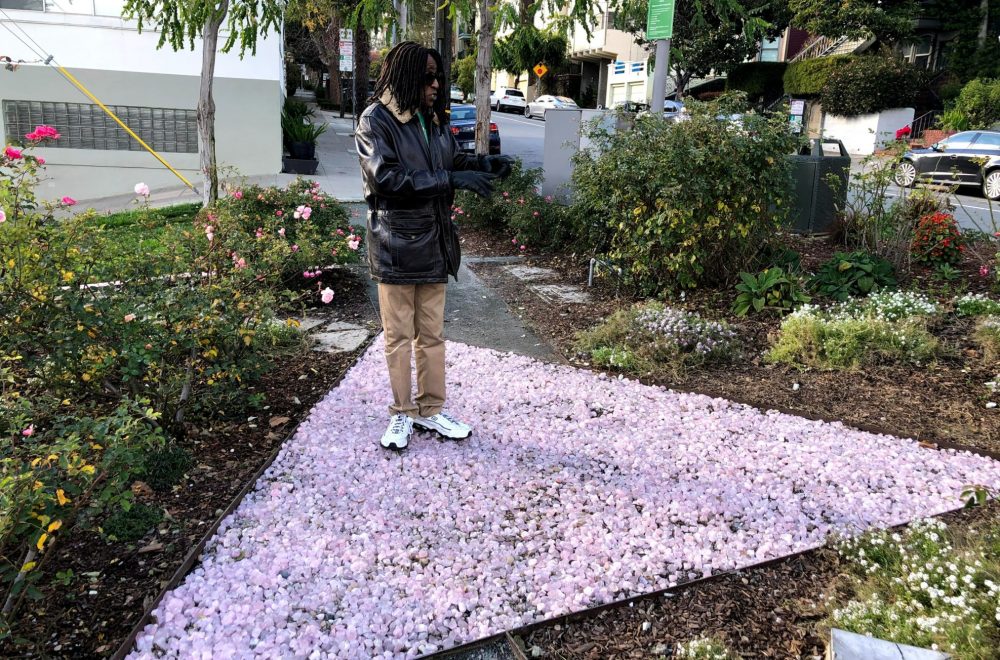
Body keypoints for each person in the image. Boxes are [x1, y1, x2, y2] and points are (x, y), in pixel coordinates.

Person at [355, 41, 514, 451]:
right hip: (396, 244)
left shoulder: (432, 119)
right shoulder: (377, 121)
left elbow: (449, 161)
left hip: (434, 241)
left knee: (432, 334)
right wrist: (450, 181)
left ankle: (430, 409)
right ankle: (402, 413)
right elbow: (386, 180)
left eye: (438, 77)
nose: (436, 85)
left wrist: (480, 164)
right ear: (407, 76)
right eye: (428, 77)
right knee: (398, 336)